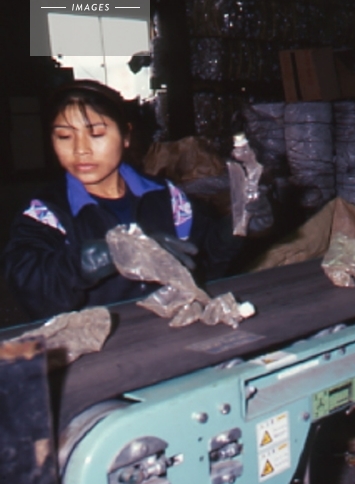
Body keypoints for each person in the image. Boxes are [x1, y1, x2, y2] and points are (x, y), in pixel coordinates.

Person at [3, 79, 242, 321]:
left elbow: (202, 270)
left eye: (96, 133)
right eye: (64, 136)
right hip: (101, 340)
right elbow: (31, 291)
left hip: (172, 331)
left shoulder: (167, 197)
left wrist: (231, 232)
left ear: (126, 136)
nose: (80, 149)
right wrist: (98, 258)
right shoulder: (46, 213)